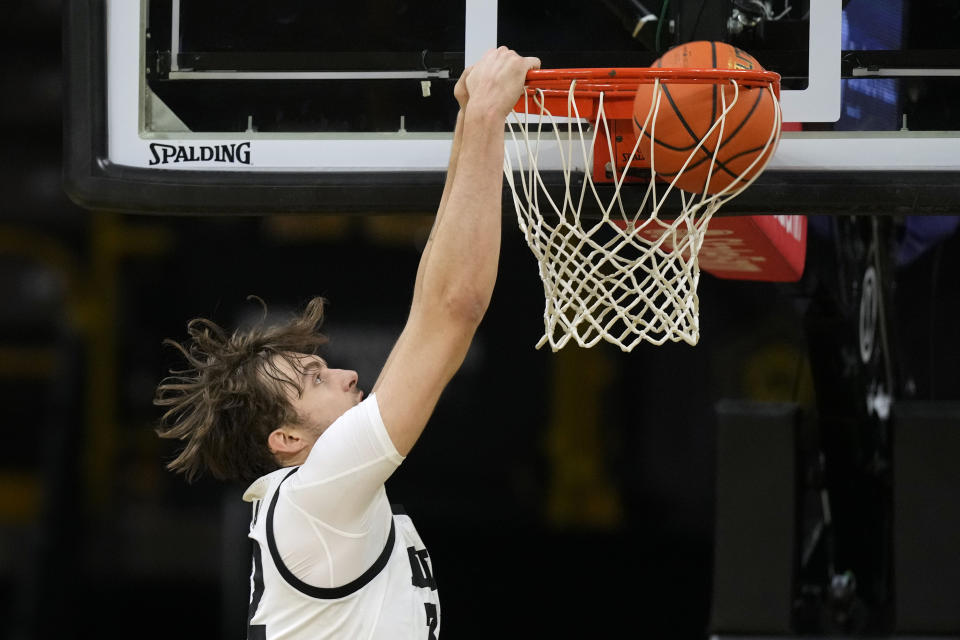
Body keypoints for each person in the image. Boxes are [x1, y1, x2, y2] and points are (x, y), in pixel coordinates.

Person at [153, 47, 541, 640]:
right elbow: (450, 311)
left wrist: (469, 121)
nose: (348, 376)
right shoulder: (316, 496)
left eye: (324, 366)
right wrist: (487, 114)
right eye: (315, 379)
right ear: (286, 439)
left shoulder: (313, 500)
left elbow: (433, 309)